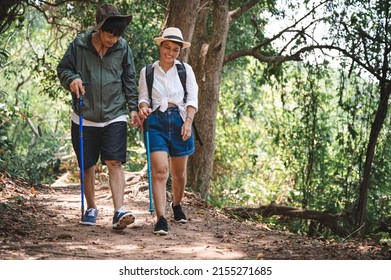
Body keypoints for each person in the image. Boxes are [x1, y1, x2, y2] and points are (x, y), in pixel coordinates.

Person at [57, 3, 141, 230]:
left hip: (115, 113)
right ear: (99, 29)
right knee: (88, 165)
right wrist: (72, 79)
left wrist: (133, 107)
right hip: (85, 114)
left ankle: (119, 211)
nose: (114, 39)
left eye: (117, 35)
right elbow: (63, 69)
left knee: (115, 161)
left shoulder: (123, 48)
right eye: (110, 34)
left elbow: (129, 79)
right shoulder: (79, 45)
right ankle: (92, 207)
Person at [138, 27, 198, 235]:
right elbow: (143, 98)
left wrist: (188, 122)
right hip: (156, 122)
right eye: (167, 48)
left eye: (175, 49)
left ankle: (177, 205)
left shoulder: (185, 70)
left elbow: (192, 99)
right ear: (160, 46)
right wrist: (143, 107)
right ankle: (161, 219)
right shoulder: (147, 71)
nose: (170, 53)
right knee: (161, 170)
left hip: (180, 119)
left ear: (179, 51)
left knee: (179, 174)